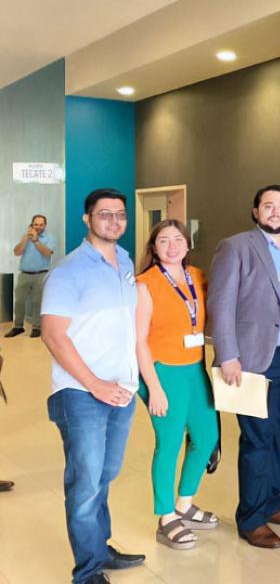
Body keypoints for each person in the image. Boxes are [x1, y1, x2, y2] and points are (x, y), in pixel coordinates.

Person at [40, 189, 145, 584]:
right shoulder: (68, 270)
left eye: (120, 215)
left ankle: (99, 548)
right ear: (87, 219)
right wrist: (94, 384)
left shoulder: (125, 262)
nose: (114, 221)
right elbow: (53, 335)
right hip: (81, 392)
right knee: (85, 482)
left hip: (121, 389)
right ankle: (86, 571)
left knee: (105, 474)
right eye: (104, 214)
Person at [208, 184, 280, 549]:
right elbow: (221, 303)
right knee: (257, 438)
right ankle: (251, 518)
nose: (275, 211)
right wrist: (227, 354)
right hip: (253, 359)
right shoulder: (236, 247)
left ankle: (272, 502)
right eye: (267, 205)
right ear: (255, 211)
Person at [135, 220, 220, 550]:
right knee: (169, 443)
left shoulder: (198, 276)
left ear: (187, 244)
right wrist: (154, 387)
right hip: (162, 372)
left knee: (207, 437)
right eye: (163, 240)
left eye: (177, 239)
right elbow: (138, 341)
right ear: (153, 247)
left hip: (194, 369)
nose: (172, 246)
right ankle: (166, 515)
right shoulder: (145, 284)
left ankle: (184, 504)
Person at [7, 214, 55, 338]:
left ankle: (36, 327)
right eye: (36, 224)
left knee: (37, 301)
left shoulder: (49, 238)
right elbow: (17, 252)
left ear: (45, 225)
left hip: (41, 274)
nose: (38, 227)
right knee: (19, 301)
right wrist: (25, 239)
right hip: (24, 274)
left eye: (41, 225)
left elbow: (47, 253)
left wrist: (35, 240)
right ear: (32, 225)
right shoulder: (26, 237)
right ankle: (18, 327)